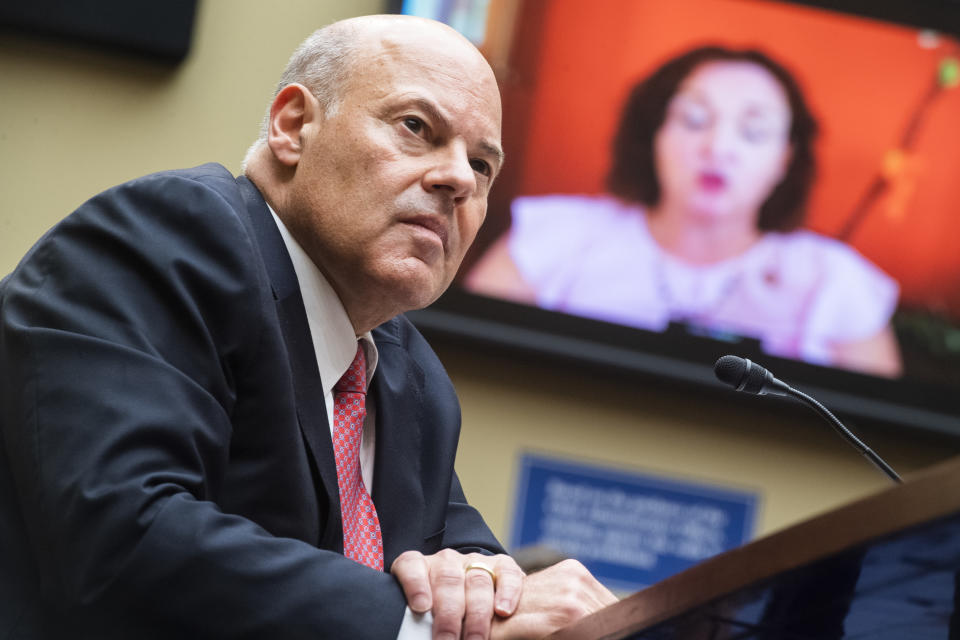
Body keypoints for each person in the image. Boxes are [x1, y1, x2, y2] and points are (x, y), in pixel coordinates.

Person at [0, 14, 616, 639]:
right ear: (293, 126)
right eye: (416, 128)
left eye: (482, 167)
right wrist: (420, 627)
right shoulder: (171, 241)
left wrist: (492, 588)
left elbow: (466, 563)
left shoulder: (405, 369)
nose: (458, 178)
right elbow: (123, 539)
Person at [465, 46, 902, 378]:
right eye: (693, 119)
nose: (718, 148)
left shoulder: (834, 280)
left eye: (753, 131)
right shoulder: (553, 239)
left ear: (785, 159)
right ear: (653, 134)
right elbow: (458, 372)